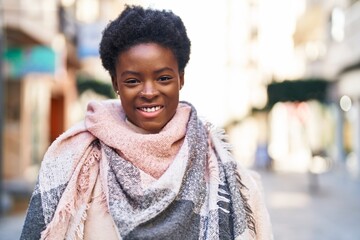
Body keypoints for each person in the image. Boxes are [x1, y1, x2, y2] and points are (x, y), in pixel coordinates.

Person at [21, 5, 272, 240]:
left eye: (163, 78)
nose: (149, 91)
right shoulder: (76, 159)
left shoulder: (228, 175)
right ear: (115, 84)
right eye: (132, 81)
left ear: (181, 79)